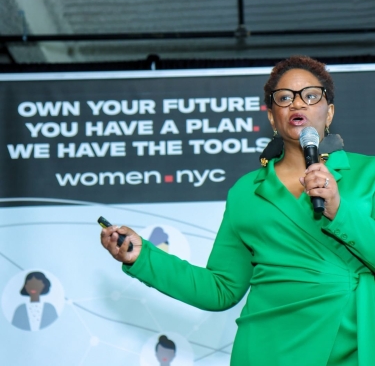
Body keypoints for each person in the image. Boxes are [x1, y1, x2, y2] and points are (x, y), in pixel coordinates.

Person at [100, 56, 375, 366]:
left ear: (329, 112)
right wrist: (143, 257)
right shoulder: (246, 192)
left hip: (356, 343)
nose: (298, 104)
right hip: (270, 349)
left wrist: (339, 210)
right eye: (284, 98)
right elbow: (221, 289)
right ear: (272, 117)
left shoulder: (369, 174)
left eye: (311, 96)